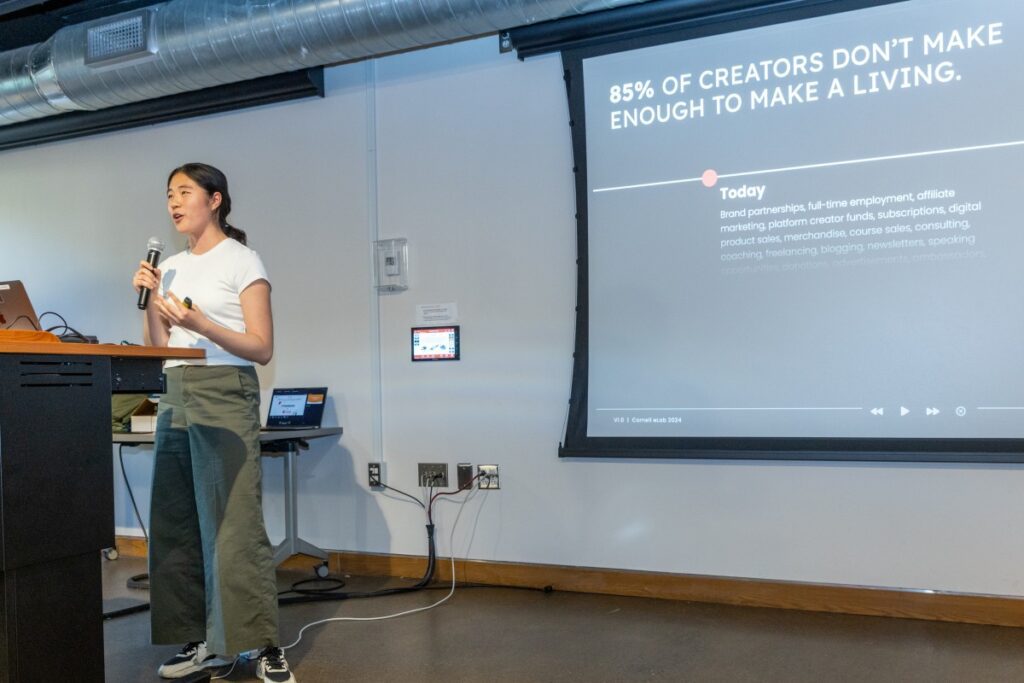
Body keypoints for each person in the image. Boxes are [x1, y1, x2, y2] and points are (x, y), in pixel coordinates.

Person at [132, 163, 294, 683]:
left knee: (233, 523)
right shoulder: (171, 266)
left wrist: (201, 323)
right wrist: (150, 300)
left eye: (184, 192)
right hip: (175, 391)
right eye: (168, 195)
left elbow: (262, 348)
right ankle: (203, 639)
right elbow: (159, 350)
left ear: (215, 199)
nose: (174, 202)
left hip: (225, 391)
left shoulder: (242, 260)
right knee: (176, 523)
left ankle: (260, 644)